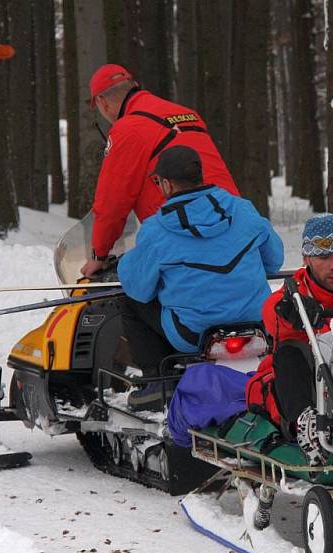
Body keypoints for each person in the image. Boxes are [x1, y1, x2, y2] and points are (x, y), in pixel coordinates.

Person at [117, 145, 284, 411]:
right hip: (256, 325)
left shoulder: (156, 229)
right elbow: (274, 261)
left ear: (167, 184)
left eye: (157, 182)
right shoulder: (243, 210)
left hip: (193, 335)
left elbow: (139, 289)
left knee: (128, 302)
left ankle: (157, 381)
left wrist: (125, 264)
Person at [82, 64, 239, 277]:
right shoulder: (186, 114)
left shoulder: (128, 129)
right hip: (234, 226)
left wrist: (99, 254)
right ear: (134, 85)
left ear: (102, 102)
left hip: (184, 240)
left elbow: (112, 202)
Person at [247, 213, 333, 465]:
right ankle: (307, 425)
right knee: (289, 351)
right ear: (306, 258)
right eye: (324, 257)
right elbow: (273, 313)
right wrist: (292, 310)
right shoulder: (295, 293)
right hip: (303, 387)